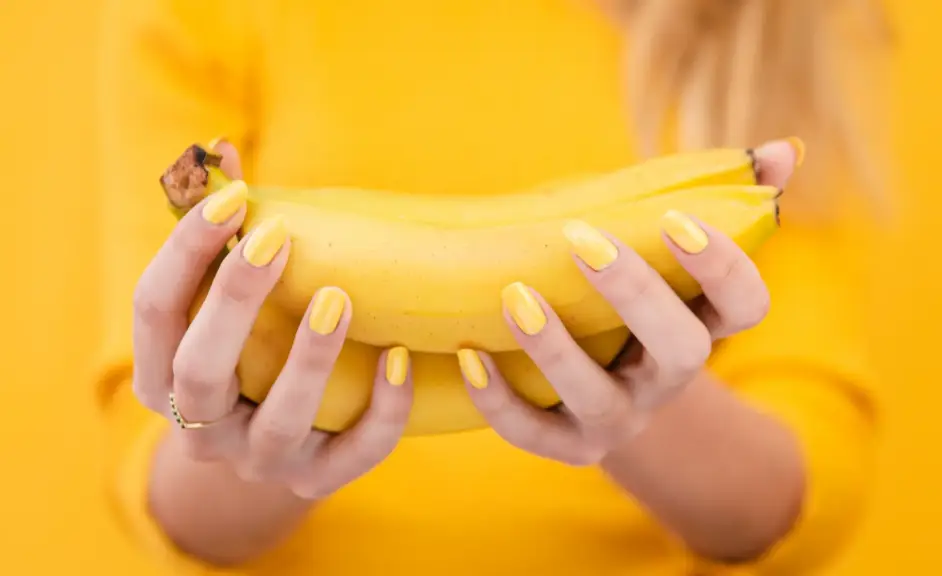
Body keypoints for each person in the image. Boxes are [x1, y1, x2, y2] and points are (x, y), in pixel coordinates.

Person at [94, 0, 889, 574]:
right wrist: (226, 435)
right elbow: (156, 475)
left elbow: (807, 486)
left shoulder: (767, 24)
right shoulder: (211, 13)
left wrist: (646, 403)